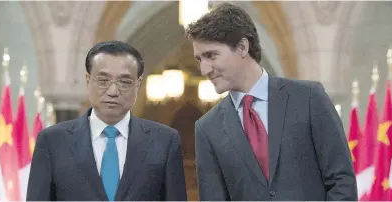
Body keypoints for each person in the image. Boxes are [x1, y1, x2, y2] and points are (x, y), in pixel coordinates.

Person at [186, 3, 358, 201]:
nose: (204, 69)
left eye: (211, 55)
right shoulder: (207, 128)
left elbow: (341, 180)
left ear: (242, 47)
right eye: (200, 59)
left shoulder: (309, 98)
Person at [26, 41, 187, 201]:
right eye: (103, 80)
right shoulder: (53, 142)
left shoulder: (164, 142)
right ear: (88, 80)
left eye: (124, 82)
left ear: (137, 85)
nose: (113, 91)